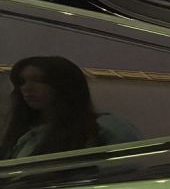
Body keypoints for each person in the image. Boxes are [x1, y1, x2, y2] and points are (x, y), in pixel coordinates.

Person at [0, 56, 141, 159]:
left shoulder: (105, 127)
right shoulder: (25, 135)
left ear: (64, 85)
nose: (27, 88)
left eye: (39, 80)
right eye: (22, 82)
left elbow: (129, 169)